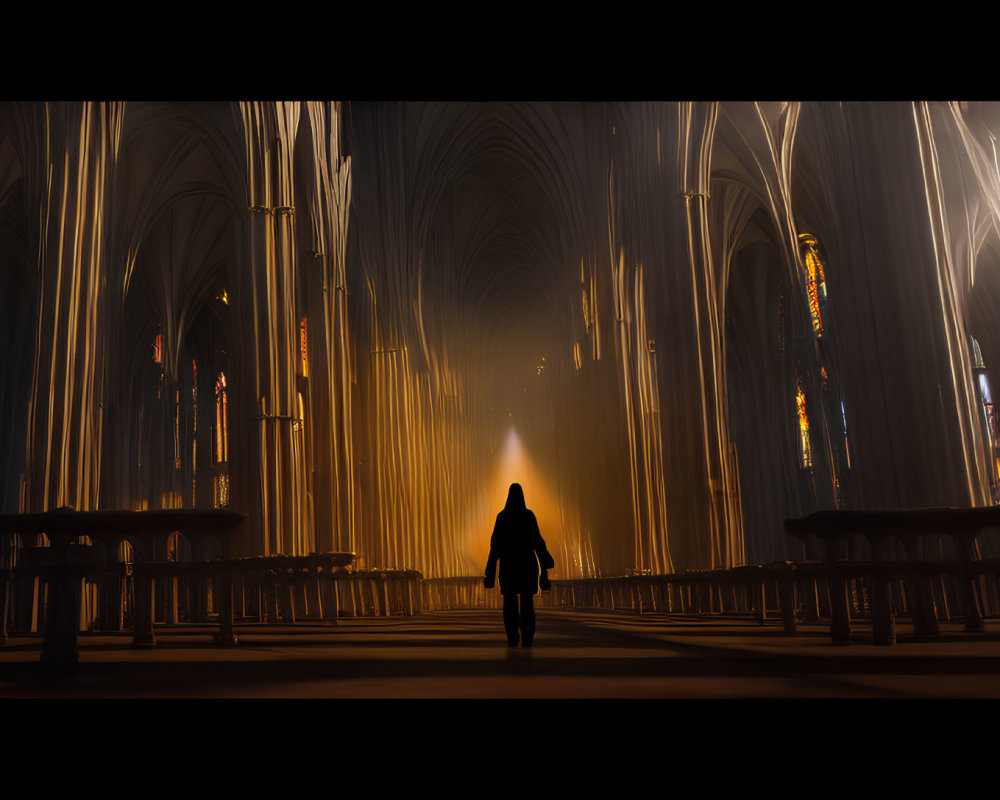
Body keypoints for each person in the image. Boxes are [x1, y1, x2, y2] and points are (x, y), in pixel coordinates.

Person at [484, 483, 554, 647]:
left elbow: (495, 547)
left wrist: (490, 574)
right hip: (527, 566)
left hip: (508, 567)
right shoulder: (528, 516)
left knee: (509, 603)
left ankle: (512, 636)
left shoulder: (502, 517)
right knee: (527, 603)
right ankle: (527, 636)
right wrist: (545, 566)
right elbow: (538, 542)